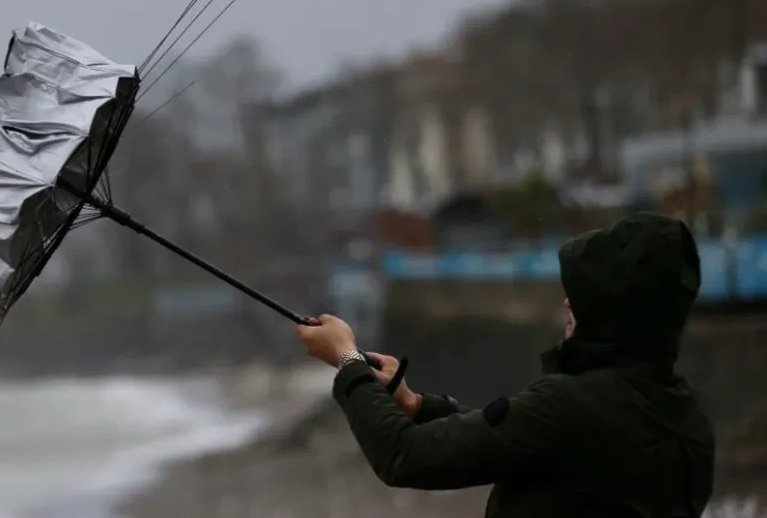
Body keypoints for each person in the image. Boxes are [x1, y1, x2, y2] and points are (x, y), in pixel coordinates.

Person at [295, 212, 715, 517]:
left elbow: (405, 455)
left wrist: (347, 360)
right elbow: (525, 442)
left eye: (584, 294)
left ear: (615, 308)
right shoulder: (687, 420)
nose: (568, 302)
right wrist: (416, 405)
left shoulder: (568, 407)